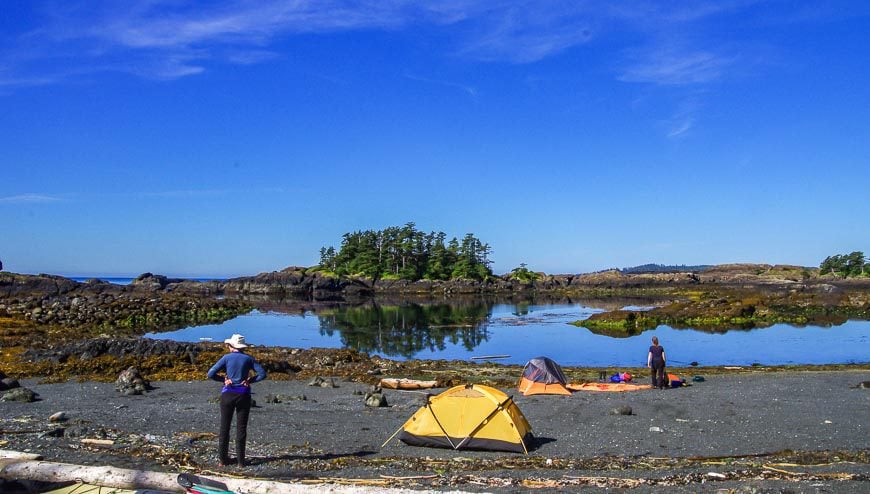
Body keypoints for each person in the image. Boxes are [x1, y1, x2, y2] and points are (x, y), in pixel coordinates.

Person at [207, 333, 267, 467]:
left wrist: (223, 379)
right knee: (241, 428)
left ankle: (223, 460)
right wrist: (250, 380)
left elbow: (210, 373)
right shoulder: (248, 359)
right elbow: (263, 374)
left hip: (228, 393)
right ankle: (241, 461)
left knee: (224, 427)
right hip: (243, 394)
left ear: (231, 345)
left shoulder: (226, 358)